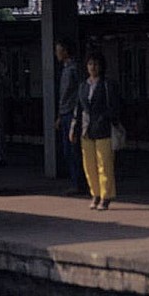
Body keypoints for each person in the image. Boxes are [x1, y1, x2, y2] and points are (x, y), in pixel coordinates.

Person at [70, 52, 121, 210]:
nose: (93, 67)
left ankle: (106, 196)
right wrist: (73, 127)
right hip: (86, 129)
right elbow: (78, 108)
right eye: (90, 64)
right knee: (89, 165)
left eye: (96, 64)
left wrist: (107, 119)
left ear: (101, 67)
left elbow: (114, 106)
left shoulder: (107, 85)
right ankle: (95, 194)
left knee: (104, 164)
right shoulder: (83, 86)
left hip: (103, 128)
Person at [55, 39, 88, 196]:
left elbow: (78, 94)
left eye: (58, 50)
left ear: (65, 52)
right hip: (65, 113)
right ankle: (76, 182)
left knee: (73, 150)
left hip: (73, 114)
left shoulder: (74, 69)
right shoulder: (65, 69)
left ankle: (79, 183)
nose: (56, 54)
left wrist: (76, 114)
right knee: (68, 150)